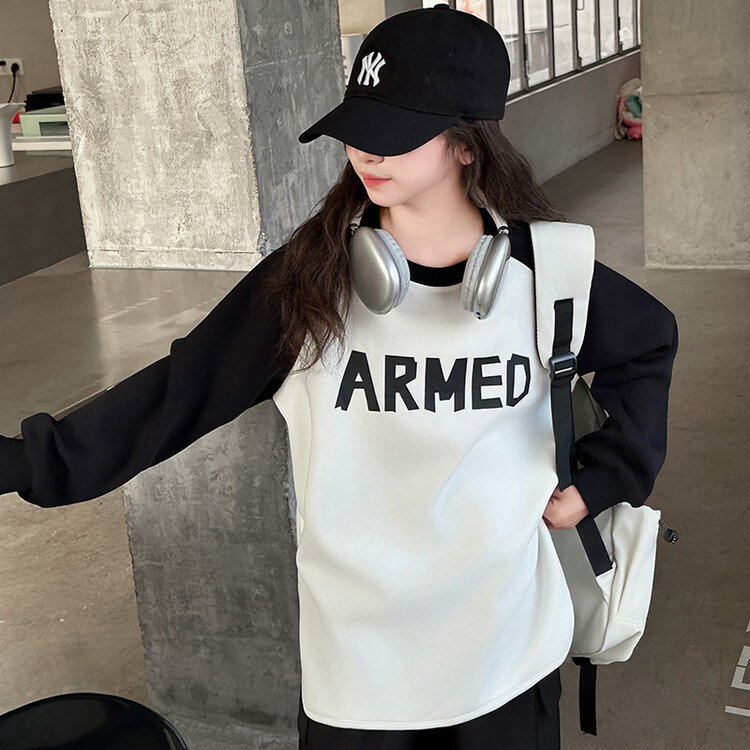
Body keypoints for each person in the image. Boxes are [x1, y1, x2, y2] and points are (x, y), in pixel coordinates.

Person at [0, 5, 678, 749]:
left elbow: (649, 344)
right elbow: (178, 393)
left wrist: (603, 478)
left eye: (394, 130)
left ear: (466, 144)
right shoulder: (311, 283)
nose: (364, 149)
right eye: (358, 124)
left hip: (507, 656)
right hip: (361, 675)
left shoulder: (550, 276)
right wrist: (30, 462)